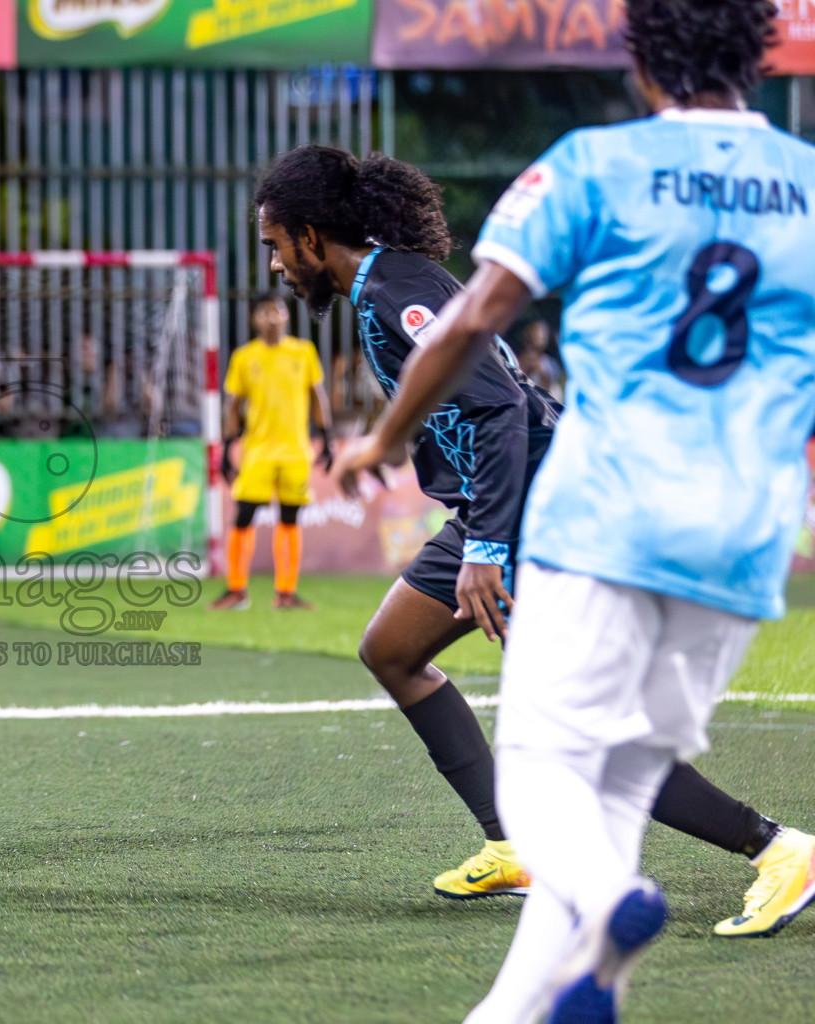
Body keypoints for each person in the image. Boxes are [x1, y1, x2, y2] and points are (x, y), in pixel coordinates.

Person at [337, 2, 815, 1019]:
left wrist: (381, 440)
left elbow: (474, 323)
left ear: (643, 62)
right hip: (744, 539)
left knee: (545, 779)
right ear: (757, 57)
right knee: (617, 775)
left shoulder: (596, 163)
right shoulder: (808, 183)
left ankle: (609, 899)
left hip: (604, 515)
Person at [258, 139, 813, 937]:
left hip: (532, 515)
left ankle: (779, 849)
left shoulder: (394, 291)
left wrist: (487, 545)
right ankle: (513, 844)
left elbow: (499, 408)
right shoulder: (390, 283)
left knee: (585, 729)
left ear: (311, 235)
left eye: (276, 245)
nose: (275, 265)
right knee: (392, 650)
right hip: (497, 508)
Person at [210, 294, 333, 611]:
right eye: (265, 311)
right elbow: (233, 406)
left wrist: (327, 439)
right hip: (258, 451)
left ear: (286, 316)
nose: (273, 316)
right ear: (255, 319)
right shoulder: (244, 357)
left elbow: (317, 396)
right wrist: (226, 449)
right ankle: (236, 589)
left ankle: (286, 593)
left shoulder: (303, 352)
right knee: (243, 516)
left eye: (278, 309)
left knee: (290, 518)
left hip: (295, 450)